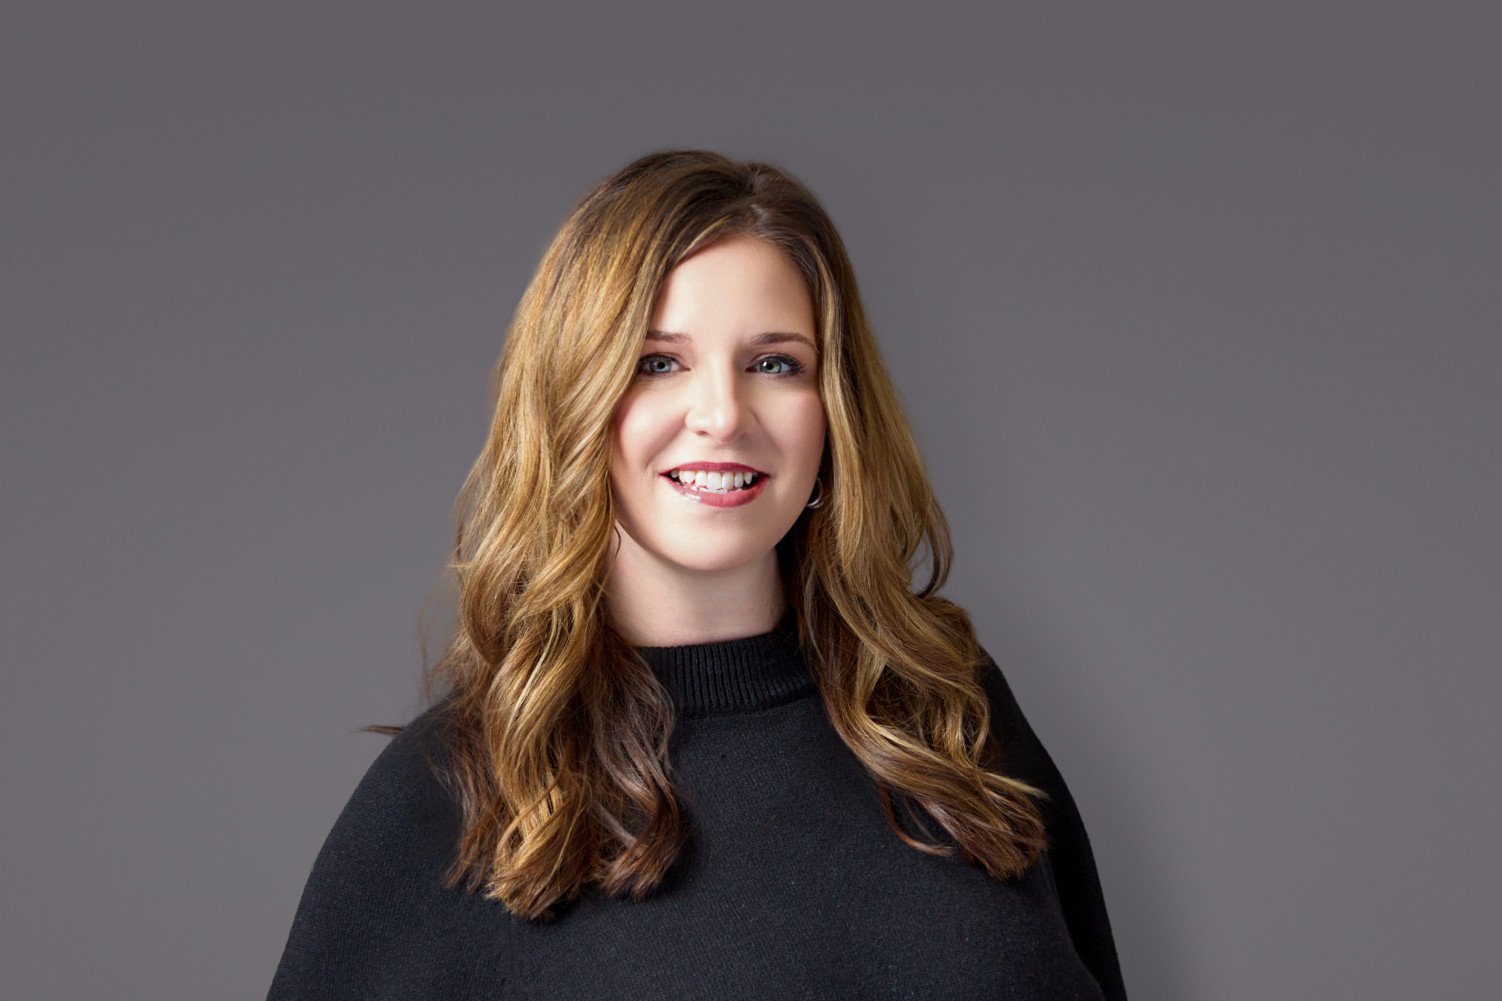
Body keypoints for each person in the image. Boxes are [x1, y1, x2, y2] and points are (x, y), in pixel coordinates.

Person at [268, 149, 1128, 1000]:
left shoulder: (950, 714)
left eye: (775, 363)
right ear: (572, 402)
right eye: (658, 361)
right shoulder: (450, 796)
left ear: (835, 412)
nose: (722, 414)